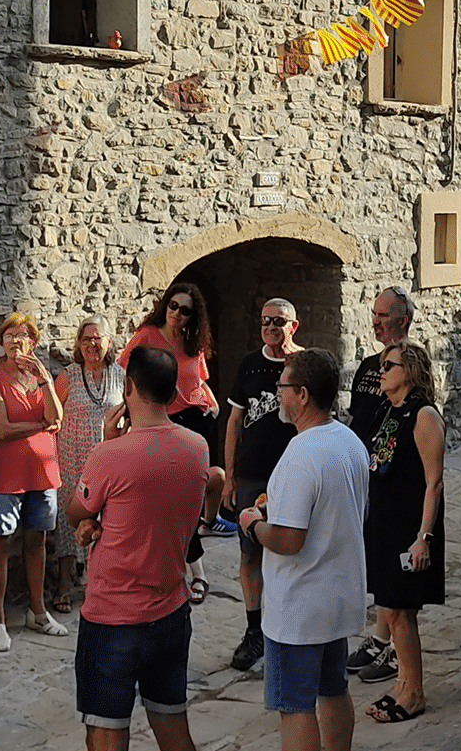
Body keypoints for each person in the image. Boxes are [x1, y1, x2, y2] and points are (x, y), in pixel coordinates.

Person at [57, 343, 213, 751]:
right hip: (170, 610)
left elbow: (76, 506)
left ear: (129, 387)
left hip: (113, 618)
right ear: (172, 391)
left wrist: (107, 437)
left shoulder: (110, 456)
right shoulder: (194, 447)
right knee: (175, 732)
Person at [239, 346, 369, 751]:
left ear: (302, 396)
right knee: (333, 690)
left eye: (284, 387)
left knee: (295, 707)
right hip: (338, 593)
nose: (277, 394)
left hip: (299, 604)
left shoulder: (300, 455)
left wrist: (252, 521)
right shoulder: (349, 442)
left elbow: (288, 539)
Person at [120, 287, 224, 595]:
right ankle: (196, 571)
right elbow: (125, 373)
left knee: (196, 490)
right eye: (173, 305)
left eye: (185, 309)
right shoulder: (148, 336)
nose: (177, 312)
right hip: (162, 421)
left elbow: (200, 380)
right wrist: (130, 413)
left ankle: (195, 556)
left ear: (194, 316)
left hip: (196, 422)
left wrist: (212, 403)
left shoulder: (193, 342)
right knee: (177, 498)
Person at [362, 341, 445, 724]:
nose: (382, 372)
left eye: (389, 365)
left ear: (409, 371)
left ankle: (414, 692)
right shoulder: (386, 409)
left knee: (401, 610)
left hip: (410, 526)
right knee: (391, 609)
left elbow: (434, 481)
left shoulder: (423, 414)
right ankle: (403, 682)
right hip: (384, 522)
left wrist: (423, 536)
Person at [223, 296, 301, 675]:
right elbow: (234, 421)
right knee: (251, 554)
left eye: (279, 321)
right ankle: (254, 631)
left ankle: (288, 629)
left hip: (291, 474)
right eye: (266, 321)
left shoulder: (302, 365)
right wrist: (229, 475)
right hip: (253, 474)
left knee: (291, 551)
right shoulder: (250, 366)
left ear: (293, 326)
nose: (271, 327)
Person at [0, 312, 67, 651]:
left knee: (37, 540)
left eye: (23, 336)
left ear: (33, 342)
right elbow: (2, 429)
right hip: (7, 473)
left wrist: (44, 377)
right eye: (9, 335)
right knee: (1, 544)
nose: (15, 341)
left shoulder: (41, 378)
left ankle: (38, 610)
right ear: (1, 342)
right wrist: (40, 426)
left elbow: (56, 416)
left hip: (43, 472)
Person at [344, 286, 415, 685]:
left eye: (384, 315)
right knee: (377, 561)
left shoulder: (410, 366)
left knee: (392, 565)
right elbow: (360, 418)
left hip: (394, 479)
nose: (375, 321)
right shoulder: (369, 366)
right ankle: (380, 637)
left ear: (402, 320)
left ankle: (392, 648)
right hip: (368, 473)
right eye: (374, 314)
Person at [52, 319, 125, 615]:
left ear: (109, 341)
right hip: (73, 458)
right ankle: (63, 587)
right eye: (85, 339)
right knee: (70, 523)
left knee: (109, 520)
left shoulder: (120, 375)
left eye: (97, 338)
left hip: (110, 459)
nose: (91, 345)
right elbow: (52, 415)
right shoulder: (68, 376)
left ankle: (102, 583)